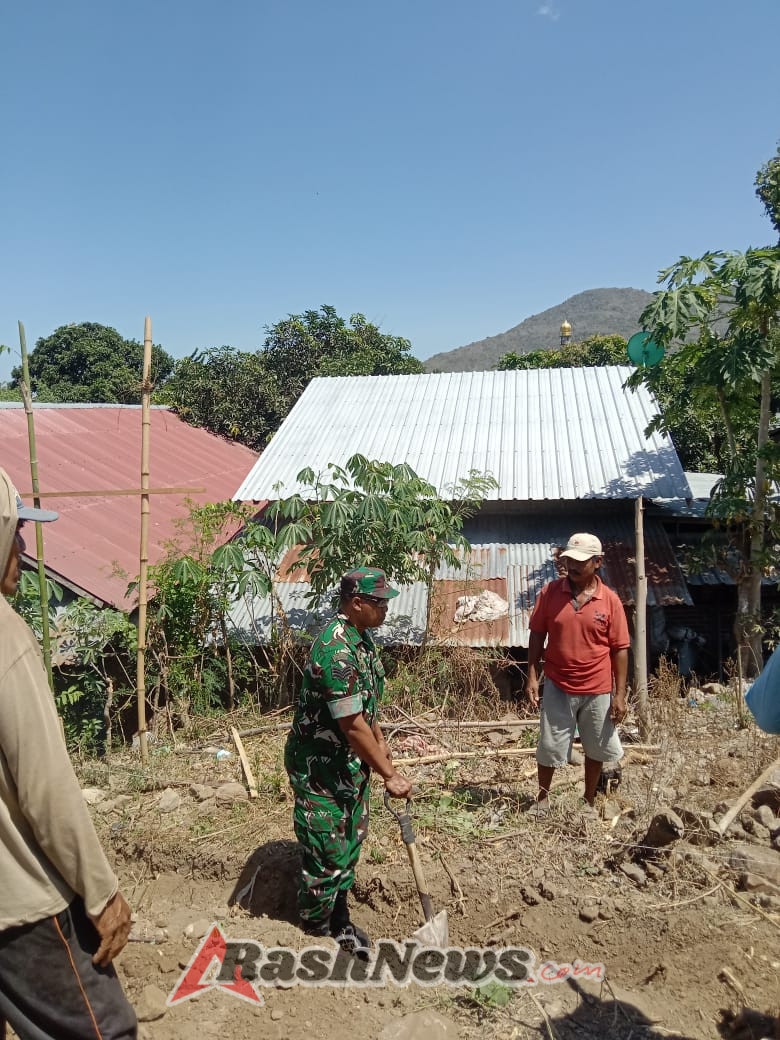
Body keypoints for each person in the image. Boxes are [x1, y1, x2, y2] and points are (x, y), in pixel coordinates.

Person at [0, 468, 136, 1039]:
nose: (24, 549)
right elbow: (45, 785)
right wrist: (99, 889)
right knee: (103, 1030)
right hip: (20, 905)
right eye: (14, 532)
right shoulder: (5, 636)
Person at [284, 567, 413, 955]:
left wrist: (380, 744)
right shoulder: (336, 649)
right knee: (326, 851)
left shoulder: (362, 641)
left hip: (349, 764)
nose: (386, 609)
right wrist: (389, 774)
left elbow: (365, 708)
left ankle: (338, 920)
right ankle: (313, 931)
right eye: (379, 602)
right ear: (356, 603)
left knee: (350, 842)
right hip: (319, 767)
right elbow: (351, 724)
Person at [525, 533, 630, 818]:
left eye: (580, 562)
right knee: (548, 745)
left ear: (597, 563)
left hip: (597, 688)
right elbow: (537, 634)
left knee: (595, 747)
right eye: (569, 559)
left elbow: (620, 649)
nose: (572, 566)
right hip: (558, 683)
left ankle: (588, 802)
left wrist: (619, 694)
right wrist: (532, 674)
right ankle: (543, 799)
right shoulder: (550, 594)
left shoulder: (609, 601)